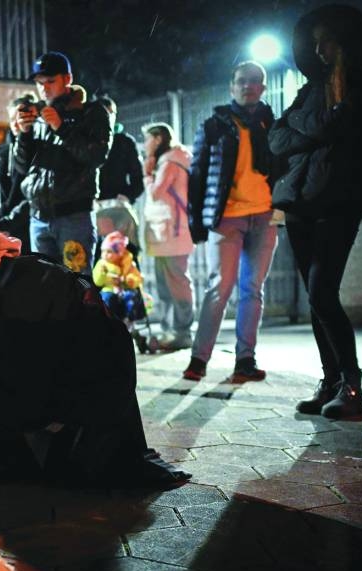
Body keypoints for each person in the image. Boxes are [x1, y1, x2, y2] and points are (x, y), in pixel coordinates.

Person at [0, 221, 190, 488]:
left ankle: (21, 467)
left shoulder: (7, 300)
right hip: (98, 382)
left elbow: (25, 397)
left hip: (94, 402)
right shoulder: (1, 268)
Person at [269, 4, 362, 419]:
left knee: (323, 292)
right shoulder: (311, 89)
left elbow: (333, 127)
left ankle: (352, 387)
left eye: (327, 42)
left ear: (345, 43)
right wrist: (315, 126)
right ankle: (330, 381)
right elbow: (276, 139)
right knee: (316, 299)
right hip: (300, 203)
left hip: (339, 203)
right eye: (315, 43)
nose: (320, 50)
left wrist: (305, 125)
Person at [183, 61, 280, 380]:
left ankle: (245, 360)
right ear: (232, 86)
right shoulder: (214, 124)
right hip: (226, 217)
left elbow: (283, 168)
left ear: (263, 88)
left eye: (254, 81)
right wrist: (196, 221)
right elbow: (197, 175)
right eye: (241, 81)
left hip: (264, 215)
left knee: (253, 289)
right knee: (220, 288)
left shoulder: (272, 124)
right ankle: (199, 359)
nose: (247, 86)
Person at [14, 51, 112, 275]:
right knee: (44, 285)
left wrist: (62, 128)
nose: (44, 88)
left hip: (74, 216)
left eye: (50, 81)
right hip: (38, 217)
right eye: (39, 83)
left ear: (68, 79)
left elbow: (96, 156)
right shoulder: (37, 115)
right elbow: (22, 167)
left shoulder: (90, 112)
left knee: (78, 283)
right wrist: (24, 134)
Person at [141, 123, 194, 351]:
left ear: (158, 139)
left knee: (176, 282)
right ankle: (170, 330)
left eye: (147, 139)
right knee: (166, 284)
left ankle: (181, 331)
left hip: (173, 232)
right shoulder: (169, 160)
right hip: (166, 233)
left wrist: (147, 175)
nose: (145, 144)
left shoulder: (171, 162)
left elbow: (156, 193)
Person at [0, 94, 34, 251]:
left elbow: (33, 194)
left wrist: (7, 223)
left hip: (26, 229)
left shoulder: (38, 150)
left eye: (19, 118)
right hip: (0, 230)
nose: (16, 124)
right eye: (12, 119)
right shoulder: (1, 154)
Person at [94, 94, 144, 245]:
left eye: (112, 113)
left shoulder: (124, 142)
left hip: (118, 210)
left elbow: (138, 177)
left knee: (124, 254)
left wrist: (128, 196)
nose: (109, 118)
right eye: (105, 113)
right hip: (93, 208)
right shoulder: (85, 141)